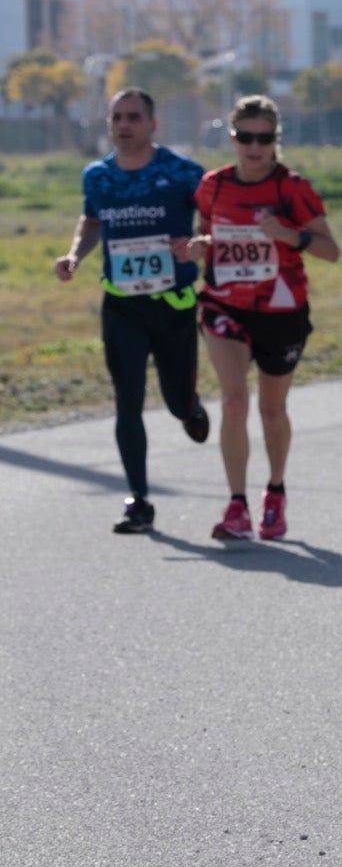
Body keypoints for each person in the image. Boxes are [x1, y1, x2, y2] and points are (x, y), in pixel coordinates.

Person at [54, 88, 210, 534]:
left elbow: (213, 220)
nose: (125, 125)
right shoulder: (97, 176)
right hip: (122, 305)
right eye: (117, 117)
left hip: (174, 304)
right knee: (128, 403)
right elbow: (92, 220)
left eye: (134, 117)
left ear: (152, 124)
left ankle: (190, 409)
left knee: (177, 399)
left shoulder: (182, 173)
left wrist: (198, 246)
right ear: (109, 124)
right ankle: (139, 500)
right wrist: (75, 256)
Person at [185, 96, 340, 542]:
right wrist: (202, 245)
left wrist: (289, 234)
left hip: (282, 311)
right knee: (234, 402)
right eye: (246, 137)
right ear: (232, 138)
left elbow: (331, 251)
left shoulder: (292, 188)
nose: (255, 146)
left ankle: (275, 492)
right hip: (224, 305)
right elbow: (207, 232)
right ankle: (236, 506)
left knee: (272, 410)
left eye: (265, 137)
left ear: (276, 140)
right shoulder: (213, 186)